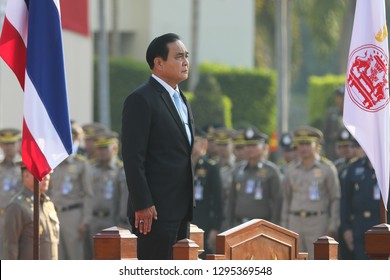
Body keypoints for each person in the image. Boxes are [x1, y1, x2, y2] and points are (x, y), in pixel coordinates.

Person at [121, 33, 194, 260]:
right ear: (158, 63)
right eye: (178, 56)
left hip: (180, 209)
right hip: (153, 212)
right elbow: (133, 157)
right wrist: (143, 204)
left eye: (186, 56)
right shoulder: (141, 99)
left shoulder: (181, 99)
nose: (185, 62)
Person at [280, 126, 340, 259]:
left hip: (318, 222)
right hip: (294, 222)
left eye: (307, 143)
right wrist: (284, 225)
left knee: (318, 262)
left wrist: (333, 225)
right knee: (294, 262)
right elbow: (286, 199)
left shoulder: (327, 168)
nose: (303, 148)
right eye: (300, 144)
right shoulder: (291, 170)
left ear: (317, 145)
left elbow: (335, 198)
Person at [47, 122, 94, 260]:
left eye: (70, 139)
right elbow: (48, 191)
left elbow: (88, 194)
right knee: (55, 255)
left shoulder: (81, 164)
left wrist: (85, 220)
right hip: (54, 213)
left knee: (75, 256)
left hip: (73, 215)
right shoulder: (52, 162)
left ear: (75, 140)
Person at [340, 141, 390, 260]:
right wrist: (346, 228)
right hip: (359, 226)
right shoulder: (354, 168)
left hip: (383, 224)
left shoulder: (386, 168)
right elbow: (345, 201)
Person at [3, 162, 59, 259]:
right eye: (42, 172)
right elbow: (10, 246)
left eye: (48, 173)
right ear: (26, 175)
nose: (47, 177)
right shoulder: (17, 206)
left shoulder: (48, 204)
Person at [230, 127, 282, 226]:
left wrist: (274, 226)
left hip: (262, 226)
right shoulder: (238, 170)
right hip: (238, 224)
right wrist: (229, 224)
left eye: (254, 145)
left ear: (263, 148)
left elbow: (277, 201)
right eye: (247, 145)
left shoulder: (271, 171)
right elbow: (231, 200)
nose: (250, 149)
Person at [88, 131, 129, 256]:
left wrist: (122, 221)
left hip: (112, 220)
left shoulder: (120, 169)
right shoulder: (90, 168)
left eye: (105, 148)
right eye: (99, 148)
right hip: (93, 221)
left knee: (112, 255)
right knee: (93, 256)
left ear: (115, 149)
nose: (102, 151)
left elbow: (124, 198)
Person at [192, 128, 223, 257]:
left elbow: (218, 199)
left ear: (203, 144)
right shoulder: (179, 166)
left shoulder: (210, 167)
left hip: (204, 222)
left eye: (194, 141)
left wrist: (215, 228)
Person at [0, 128, 22, 259]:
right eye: (6, 143)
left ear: (19, 143)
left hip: (18, 218)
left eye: (12, 143)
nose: (9, 147)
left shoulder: (25, 165)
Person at [323, 86, 346, 161]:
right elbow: (325, 135)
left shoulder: (354, 115)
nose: (341, 100)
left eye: (343, 97)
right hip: (332, 153)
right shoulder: (331, 113)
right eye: (339, 97)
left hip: (349, 151)